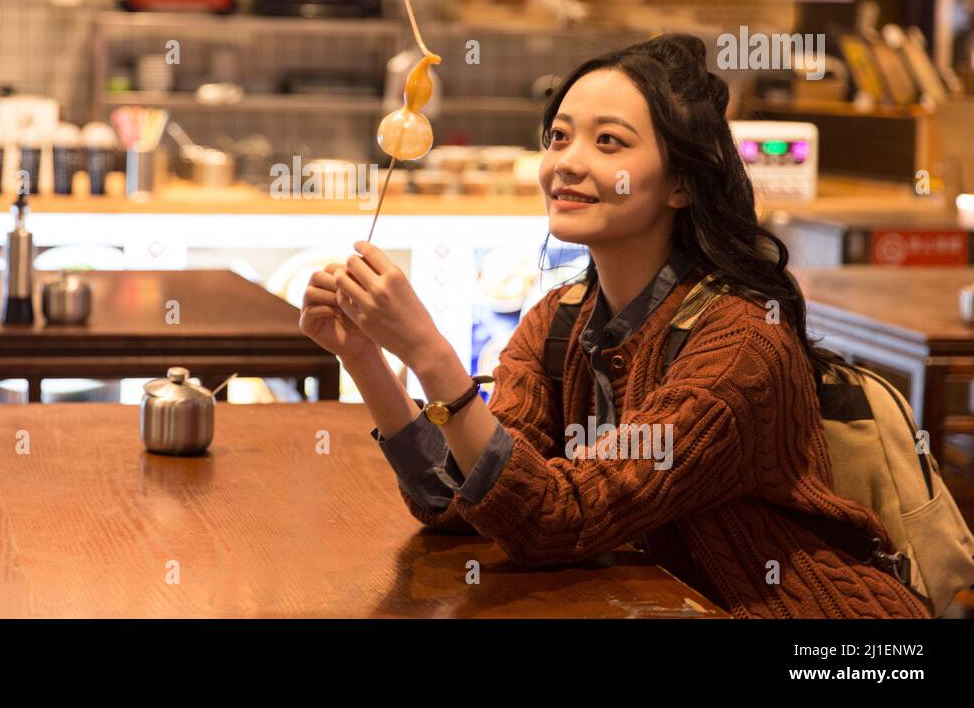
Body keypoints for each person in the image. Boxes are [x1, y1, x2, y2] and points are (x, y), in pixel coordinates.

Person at [299, 32, 930, 619]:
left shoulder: (739, 342)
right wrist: (365, 360)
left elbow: (554, 520)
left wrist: (428, 352)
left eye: (609, 142)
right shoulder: (560, 319)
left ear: (681, 182)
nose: (567, 164)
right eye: (559, 137)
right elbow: (462, 504)